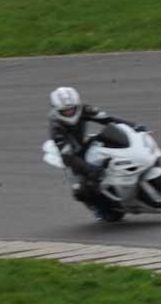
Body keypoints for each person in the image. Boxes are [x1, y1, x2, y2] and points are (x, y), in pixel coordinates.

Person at [48, 86, 146, 219]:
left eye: (72, 109)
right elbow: (68, 157)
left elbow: (108, 118)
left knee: (112, 139)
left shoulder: (84, 109)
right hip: (72, 156)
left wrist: (134, 126)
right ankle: (99, 208)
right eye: (65, 111)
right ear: (57, 110)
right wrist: (89, 170)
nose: (70, 112)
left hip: (85, 143)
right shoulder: (56, 127)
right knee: (80, 190)